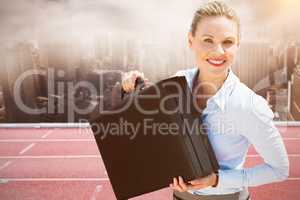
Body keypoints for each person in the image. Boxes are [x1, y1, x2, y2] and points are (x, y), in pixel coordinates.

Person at [121, 1, 289, 200]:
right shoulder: (178, 82)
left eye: (227, 42)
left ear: (237, 45)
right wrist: (130, 86)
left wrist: (218, 180)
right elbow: (154, 123)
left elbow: (279, 169)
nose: (218, 51)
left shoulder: (249, 105)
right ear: (191, 41)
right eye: (208, 40)